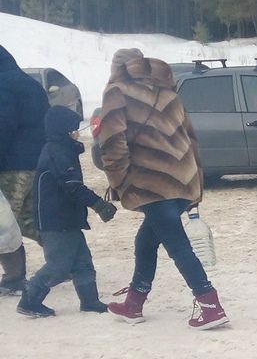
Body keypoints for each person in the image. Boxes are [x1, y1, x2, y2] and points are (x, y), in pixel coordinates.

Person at [98, 48, 229, 329]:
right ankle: (134, 303)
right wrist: (196, 187)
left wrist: (118, 182)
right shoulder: (169, 94)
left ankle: (210, 304)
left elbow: (113, 144)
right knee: (146, 241)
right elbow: (191, 140)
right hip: (183, 180)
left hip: (151, 183)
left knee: (177, 245)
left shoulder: (117, 92)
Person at [17, 106, 117, 318]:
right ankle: (29, 299)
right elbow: (72, 185)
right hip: (55, 220)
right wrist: (99, 204)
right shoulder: (57, 152)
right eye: (73, 130)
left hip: (67, 219)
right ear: (63, 130)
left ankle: (90, 301)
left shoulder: (63, 149)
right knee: (58, 266)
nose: (77, 133)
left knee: (82, 262)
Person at [0, 44, 51, 296]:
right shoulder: (28, 83)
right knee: (31, 219)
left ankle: (13, 278)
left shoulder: (3, 85)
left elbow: (3, 126)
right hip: (38, 162)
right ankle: (68, 260)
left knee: (5, 223)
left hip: (13, 166)